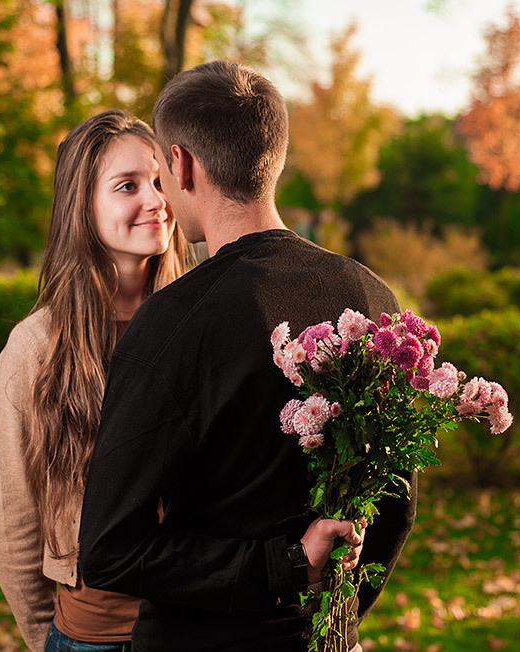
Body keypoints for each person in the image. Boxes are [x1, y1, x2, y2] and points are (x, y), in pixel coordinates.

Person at [78, 61, 417, 651]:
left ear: (181, 164)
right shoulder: (372, 299)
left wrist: (280, 570)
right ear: (275, 158)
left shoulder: (173, 322)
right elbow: (395, 506)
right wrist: (334, 610)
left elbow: (109, 549)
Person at [0, 110, 191, 651]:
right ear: (83, 206)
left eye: (159, 180)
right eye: (127, 186)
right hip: (97, 638)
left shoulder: (200, 322)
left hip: (204, 628)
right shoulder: (37, 348)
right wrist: (46, 637)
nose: (156, 200)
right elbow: (13, 521)